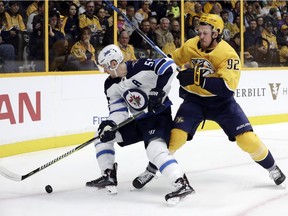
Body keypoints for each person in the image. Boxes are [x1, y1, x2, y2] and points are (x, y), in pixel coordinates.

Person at [134, 13, 286, 189]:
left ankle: (272, 168)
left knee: (248, 140)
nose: (201, 36)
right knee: (175, 138)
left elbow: (227, 88)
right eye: (200, 32)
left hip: (222, 103)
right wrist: (159, 64)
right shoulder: (191, 45)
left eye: (205, 33)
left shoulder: (228, 54)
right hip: (194, 101)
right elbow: (172, 60)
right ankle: (151, 170)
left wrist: (197, 78)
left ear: (216, 33)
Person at [85, 44, 194, 204]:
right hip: (138, 120)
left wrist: (159, 90)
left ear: (113, 63)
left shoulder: (139, 66)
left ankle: (181, 183)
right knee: (101, 137)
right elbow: (119, 111)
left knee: (155, 150)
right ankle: (108, 175)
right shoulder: (110, 85)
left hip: (158, 116)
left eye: (106, 67)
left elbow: (169, 66)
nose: (105, 71)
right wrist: (110, 124)